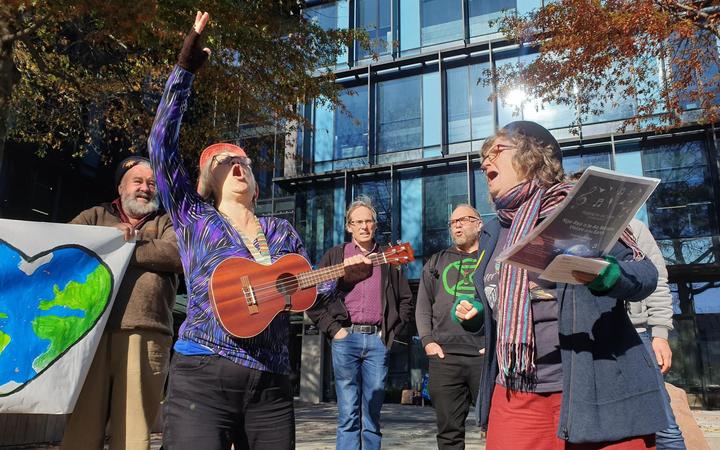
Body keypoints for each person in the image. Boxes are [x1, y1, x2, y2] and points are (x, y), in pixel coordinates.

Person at [147, 12, 369, 450]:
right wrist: (184, 71)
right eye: (224, 162)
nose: (237, 164)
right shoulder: (195, 218)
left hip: (270, 382)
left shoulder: (281, 231)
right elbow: (160, 144)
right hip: (202, 374)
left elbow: (312, 295)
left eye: (244, 160)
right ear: (206, 182)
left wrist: (344, 277)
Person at [453, 121, 670, 449]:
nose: (485, 162)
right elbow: (502, 301)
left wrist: (610, 276)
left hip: (595, 383)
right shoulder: (493, 232)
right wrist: (478, 314)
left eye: (496, 151)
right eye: (483, 156)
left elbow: (645, 275)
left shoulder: (579, 210)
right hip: (517, 392)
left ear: (533, 156)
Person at [62, 156, 182, 450]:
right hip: (89, 333)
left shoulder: (168, 222)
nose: (145, 188)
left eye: (152, 184)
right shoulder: (94, 216)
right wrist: (108, 238)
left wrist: (128, 244)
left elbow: (179, 256)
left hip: (147, 334)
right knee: (81, 431)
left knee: (133, 435)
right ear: (121, 187)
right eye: (138, 181)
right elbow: (65, 247)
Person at [307, 196, 414, 450]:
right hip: (346, 339)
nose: (364, 226)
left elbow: (406, 302)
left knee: (372, 416)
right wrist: (335, 330)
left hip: (377, 341)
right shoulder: (335, 255)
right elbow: (312, 298)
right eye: (358, 222)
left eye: (369, 221)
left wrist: (390, 334)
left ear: (375, 225)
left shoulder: (389, 257)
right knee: (348, 415)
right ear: (349, 226)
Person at [415, 204, 486, 450]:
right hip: (445, 358)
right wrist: (428, 341)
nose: (456, 225)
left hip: (484, 357)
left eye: (463, 219)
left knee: (495, 428)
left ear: (479, 224)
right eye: (452, 222)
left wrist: (494, 343)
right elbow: (423, 306)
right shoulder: (436, 261)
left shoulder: (491, 258)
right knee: (448, 435)